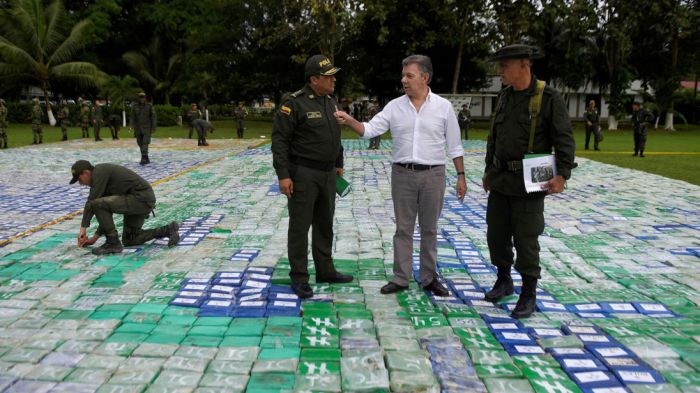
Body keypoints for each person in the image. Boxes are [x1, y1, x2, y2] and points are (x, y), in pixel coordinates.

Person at [335, 55, 467, 297]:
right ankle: (401, 278)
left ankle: (429, 278)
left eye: (410, 76)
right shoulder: (395, 106)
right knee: (403, 229)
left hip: (433, 175)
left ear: (425, 78)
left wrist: (461, 175)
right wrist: (350, 119)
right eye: (403, 75)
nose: (403, 80)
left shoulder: (443, 107)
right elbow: (370, 130)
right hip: (403, 175)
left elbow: (455, 145)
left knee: (429, 229)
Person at [482, 44, 575, 319]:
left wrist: (562, 174)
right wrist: (489, 170)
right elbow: (493, 138)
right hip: (500, 179)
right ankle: (503, 280)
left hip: (531, 181)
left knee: (526, 238)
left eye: (505, 66)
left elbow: (564, 138)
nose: (500, 71)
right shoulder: (505, 97)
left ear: (525, 64)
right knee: (496, 235)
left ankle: (528, 292)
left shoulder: (548, 98)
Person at [271, 54, 352, 299]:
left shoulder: (330, 101)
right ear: (315, 79)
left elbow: (334, 135)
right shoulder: (294, 104)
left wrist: (338, 162)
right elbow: (280, 141)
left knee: (325, 224)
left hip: (328, 173)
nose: (334, 80)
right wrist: (283, 176)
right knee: (300, 227)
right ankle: (299, 277)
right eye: (329, 76)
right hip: (303, 173)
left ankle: (325, 270)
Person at [70, 160, 180, 255]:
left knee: (97, 203)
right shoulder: (102, 181)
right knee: (131, 240)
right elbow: (104, 214)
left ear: (86, 172)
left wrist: (82, 230)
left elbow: (92, 203)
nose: (81, 184)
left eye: (79, 180)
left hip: (139, 198)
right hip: (141, 201)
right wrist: (94, 238)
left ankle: (113, 243)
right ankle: (167, 230)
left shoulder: (99, 171)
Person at [130, 92, 157, 165]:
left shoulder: (149, 106)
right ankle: (146, 157)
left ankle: (144, 157)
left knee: (145, 142)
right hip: (138, 128)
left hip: (147, 128)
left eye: (143, 97)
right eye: (140, 97)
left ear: (145, 98)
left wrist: (153, 127)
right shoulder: (135, 106)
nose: (142, 99)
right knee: (140, 143)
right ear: (138, 98)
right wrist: (131, 126)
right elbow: (132, 117)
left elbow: (153, 117)